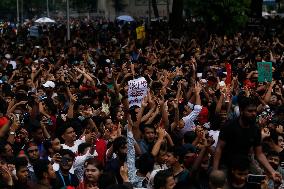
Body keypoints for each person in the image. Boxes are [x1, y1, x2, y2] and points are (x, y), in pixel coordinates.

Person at [213, 95, 282, 182]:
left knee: (261, 181)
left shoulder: (256, 129)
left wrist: (272, 172)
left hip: (246, 162)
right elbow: (219, 148)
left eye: (255, 111)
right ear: (241, 111)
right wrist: (215, 170)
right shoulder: (229, 126)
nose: (253, 113)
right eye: (250, 111)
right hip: (227, 162)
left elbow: (259, 154)